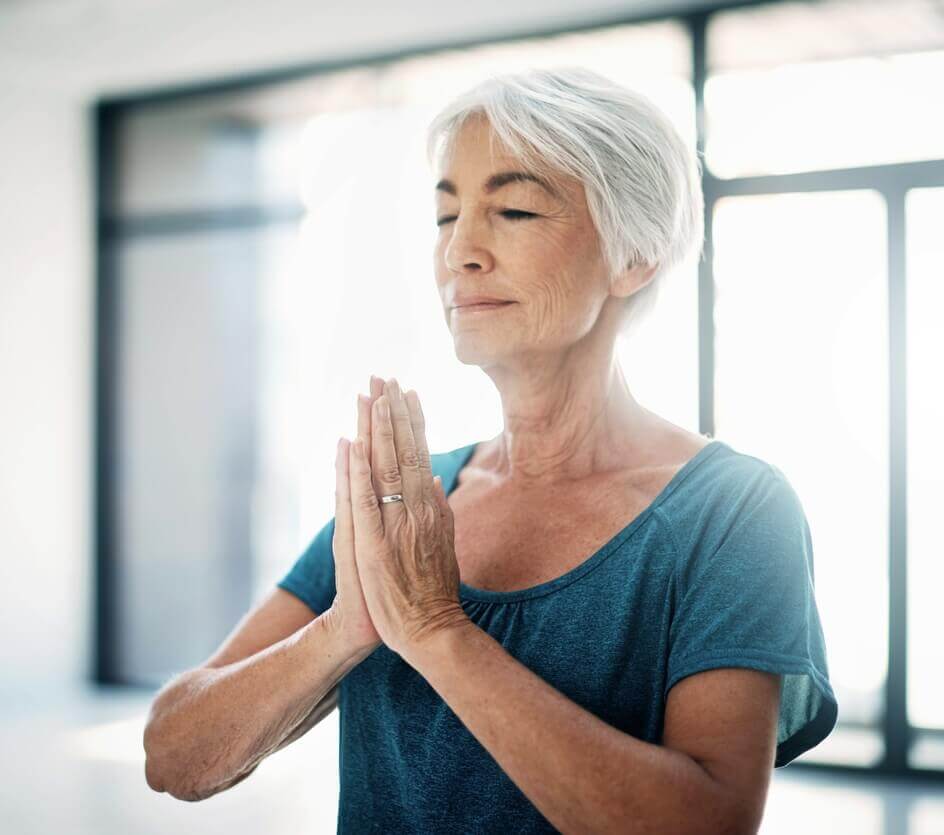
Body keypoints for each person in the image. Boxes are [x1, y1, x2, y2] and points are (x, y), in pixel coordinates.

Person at [145, 66, 837, 832]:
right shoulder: (405, 501)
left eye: (512, 209)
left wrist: (437, 630)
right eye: (446, 218)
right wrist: (347, 629)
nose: (459, 254)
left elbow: (706, 822)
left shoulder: (732, 512)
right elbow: (174, 755)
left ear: (634, 255)